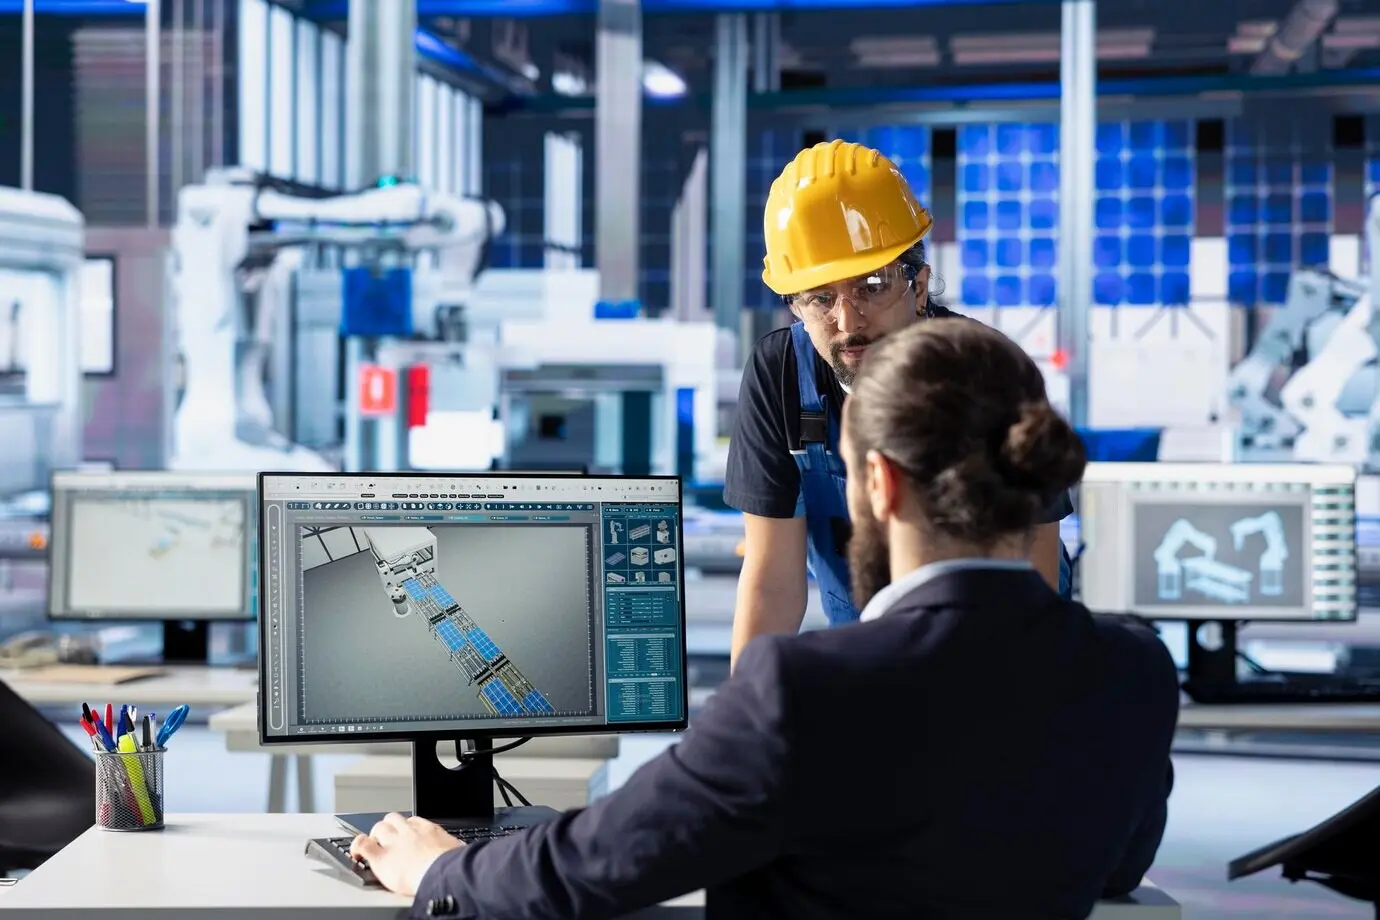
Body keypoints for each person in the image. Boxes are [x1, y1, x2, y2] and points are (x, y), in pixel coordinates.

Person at [350, 318, 1180, 920]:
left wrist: (442, 868)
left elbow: (585, 871)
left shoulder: (800, 693)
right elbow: (1117, 869)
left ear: (880, 488)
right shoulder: (1133, 671)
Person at [726, 139, 1075, 665]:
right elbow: (773, 582)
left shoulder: (989, 373)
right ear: (795, 307)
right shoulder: (780, 377)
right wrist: (744, 724)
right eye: (821, 297)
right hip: (870, 643)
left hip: (1005, 644)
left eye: (871, 285)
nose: (848, 322)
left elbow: (1034, 566)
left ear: (918, 286)